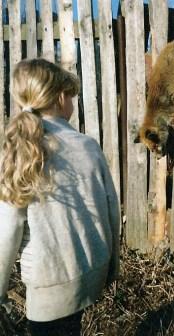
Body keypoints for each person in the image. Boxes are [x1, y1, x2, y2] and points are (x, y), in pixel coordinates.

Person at [0, 59, 121, 336]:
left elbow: (6, 230)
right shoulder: (88, 146)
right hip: (91, 271)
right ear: (60, 97)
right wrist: (113, 265)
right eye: (72, 96)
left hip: (49, 287)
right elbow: (111, 208)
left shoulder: (22, 151)